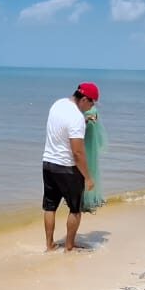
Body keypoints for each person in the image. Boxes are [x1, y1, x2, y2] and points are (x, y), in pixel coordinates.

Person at [42, 82, 98, 251]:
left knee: (49, 206)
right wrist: (88, 177)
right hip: (67, 168)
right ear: (85, 99)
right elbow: (77, 153)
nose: (92, 107)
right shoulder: (76, 118)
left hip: (48, 164)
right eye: (92, 102)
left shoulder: (58, 104)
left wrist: (84, 121)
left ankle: (50, 245)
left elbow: (62, 129)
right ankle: (69, 247)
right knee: (75, 209)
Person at [81, 106, 107, 213]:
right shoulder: (93, 109)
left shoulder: (81, 109)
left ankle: (84, 200)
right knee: (90, 168)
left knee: (84, 168)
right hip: (89, 142)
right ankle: (88, 199)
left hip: (86, 140)